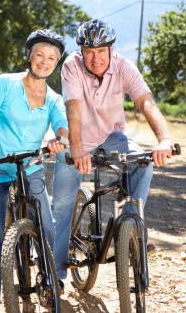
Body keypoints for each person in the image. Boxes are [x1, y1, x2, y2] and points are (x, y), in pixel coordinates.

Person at [52, 18, 173, 282]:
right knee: (61, 205)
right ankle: (56, 275)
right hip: (77, 140)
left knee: (143, 163)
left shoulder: (124, 67)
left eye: (100, 51)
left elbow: (146, 102)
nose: (95, 58)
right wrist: (77, 150)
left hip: (112, 136)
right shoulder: (72, 66)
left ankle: (129, 231)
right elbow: (73, 110)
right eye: (88, 52)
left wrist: (164, 139)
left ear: (111, 49)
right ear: (81, 52)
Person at [0, 29, 68, 313]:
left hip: (30, 165)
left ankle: (49, 280)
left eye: (52, 58)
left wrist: (60, 138)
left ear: (56, 63)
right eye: (40, 55)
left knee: (46, 223)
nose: (45, 62)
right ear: (29, 56)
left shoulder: (54, 98)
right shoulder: (6, 83)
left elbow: (61, 123)